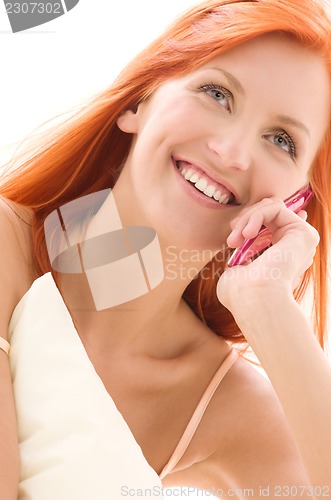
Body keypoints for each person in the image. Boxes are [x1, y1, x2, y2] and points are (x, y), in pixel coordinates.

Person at [0, 0, 331, 498]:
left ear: (296, 201)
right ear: (138, 103)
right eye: (217, 93)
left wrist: (269, 306)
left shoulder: (226, 403)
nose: (232, 152)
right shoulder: (8, 240)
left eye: (281, 140)